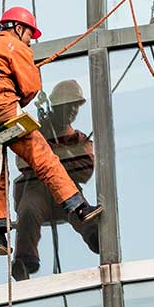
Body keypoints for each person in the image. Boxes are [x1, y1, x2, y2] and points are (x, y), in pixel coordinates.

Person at [0, 7, 103, 256]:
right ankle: (79, 207)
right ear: (18, 28)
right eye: (29, 36)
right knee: (42, 156)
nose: (30, 42)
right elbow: (31, 87)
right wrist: (15, 99)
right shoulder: (13, 45)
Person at [11, 79, 100, 280]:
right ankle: (25, 260)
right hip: (37, 188)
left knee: (80, 211)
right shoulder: (36, 133)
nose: (72, 111)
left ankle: (95, 236)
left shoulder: (79, 139)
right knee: (28, 209)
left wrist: (58, 153)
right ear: (57, 106)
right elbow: (22, 161)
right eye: (68, 106)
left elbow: (86, 170)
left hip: (65, 192)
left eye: (75, 107)